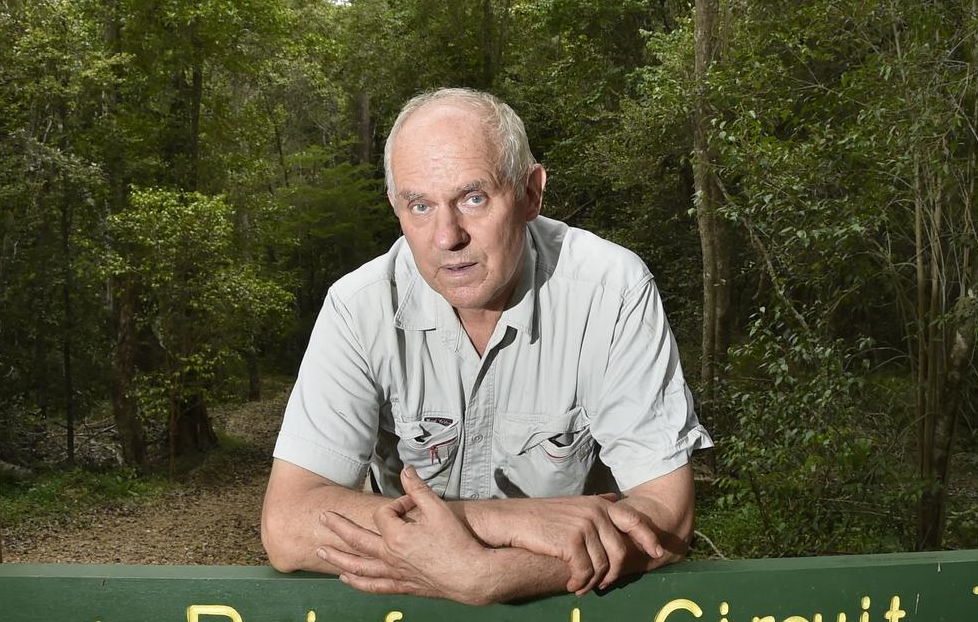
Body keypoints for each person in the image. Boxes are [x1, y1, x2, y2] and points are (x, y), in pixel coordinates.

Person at [260, 88, 711, 605]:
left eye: (473, 198)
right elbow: (287, 526)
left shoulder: (612, 291)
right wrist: (504, 522)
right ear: (396, 208)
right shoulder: (359, 307)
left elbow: (668, 514)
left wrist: (494, 576)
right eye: (420, 205)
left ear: (530, 194)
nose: (446, 236)